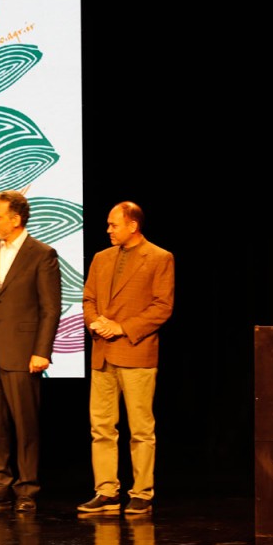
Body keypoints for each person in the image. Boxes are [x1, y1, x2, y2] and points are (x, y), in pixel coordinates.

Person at [0, 190, 62, 513]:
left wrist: (42, 350)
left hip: (22, 353)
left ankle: (27, 489)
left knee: (25, 424)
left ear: (16, 219)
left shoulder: (42, 254)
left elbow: (50, 308)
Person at [77, 201, 174, 516]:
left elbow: (162, 306)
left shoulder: (159, 257)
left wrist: (121, 327)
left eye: (113, 224)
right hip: (103, 352)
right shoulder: (101, 258)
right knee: (101, 427)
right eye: (108, 224)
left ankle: (142, 492)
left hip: (136, 352)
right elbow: (88, 298)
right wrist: (96, 322)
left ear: (133, 225)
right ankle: (107, 491)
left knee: (140, 429)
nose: (108, 229)